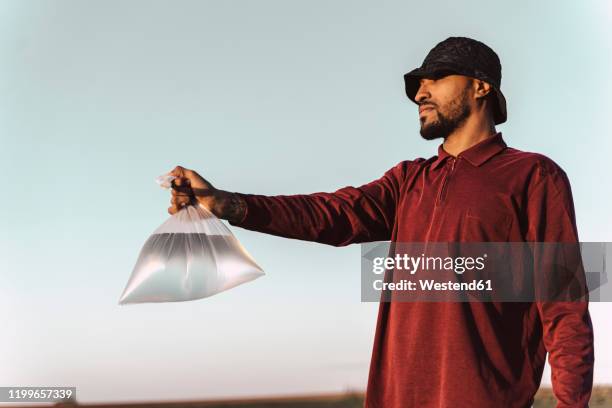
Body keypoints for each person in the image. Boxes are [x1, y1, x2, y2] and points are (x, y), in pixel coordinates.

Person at [167, 37, 594, 408]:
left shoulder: (534, 176)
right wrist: (224, 203)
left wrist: (571, 401)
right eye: (416, 86)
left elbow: (564, 303)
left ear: (482, 86)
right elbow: (330, 214)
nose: (419, 93)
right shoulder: (408, 180)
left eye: (436, 78)